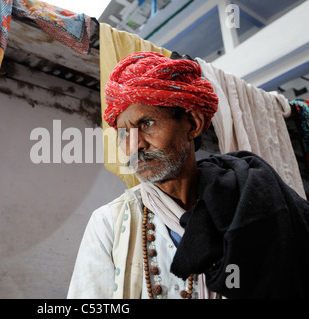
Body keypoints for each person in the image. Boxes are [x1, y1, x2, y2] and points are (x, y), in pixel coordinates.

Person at [67, 51, 309, 299]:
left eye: (147, 124)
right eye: (123, 133)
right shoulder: (110, 222)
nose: (134, 145)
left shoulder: (249, 201)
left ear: (192, 124)